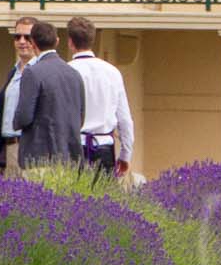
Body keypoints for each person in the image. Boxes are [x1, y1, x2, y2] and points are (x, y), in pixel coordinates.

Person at [63, 16, 134, 178]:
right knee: (103, 201)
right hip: (104, 148)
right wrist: (125, 154)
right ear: (91, 40)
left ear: (70, 42)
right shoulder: (112, 72)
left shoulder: (66, 72)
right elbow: (124, 119)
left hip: (74, 148)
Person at [11, 19, 85, 167]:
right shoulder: (74, 73)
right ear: (57, 41)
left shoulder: (32, 72)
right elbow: (81, 116)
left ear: (33, 43)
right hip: (69, 154)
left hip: (39, 154)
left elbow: (24, 117)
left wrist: (15, 122)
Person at [0, 19, 35, 174]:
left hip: (29, 148)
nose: (22, 42)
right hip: (9, 147)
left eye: (27, 37)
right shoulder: (14, 73)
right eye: (17, 37)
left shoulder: (40, 72)